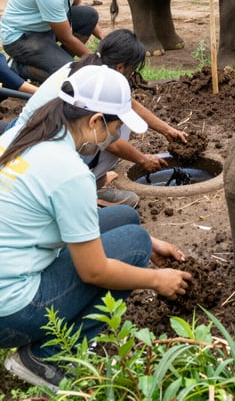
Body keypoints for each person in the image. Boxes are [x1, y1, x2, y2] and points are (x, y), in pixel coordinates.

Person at [0, 65, 191, 391]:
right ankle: (48, 356)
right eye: (116, 128)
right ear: (95, 121)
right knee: (133, 243)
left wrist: (152, 241)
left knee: (126, 221)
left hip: (10, 275)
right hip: (13, 311)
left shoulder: (30, 138)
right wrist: (157, 279)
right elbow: (94, 272)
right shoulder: (69, 173)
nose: (116, 137)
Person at [4, 29, 187, 208]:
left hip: (21, 136)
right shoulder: (95, 86)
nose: (131, 76)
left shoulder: (88, 68)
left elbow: (129, 105)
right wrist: (142, 159)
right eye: (132, 71)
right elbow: (108, 140)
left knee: (119, 120)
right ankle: (92, 190)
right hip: (37, 145)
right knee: (118, 128)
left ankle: (95, 178)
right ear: (121, 67)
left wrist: (168, 130)